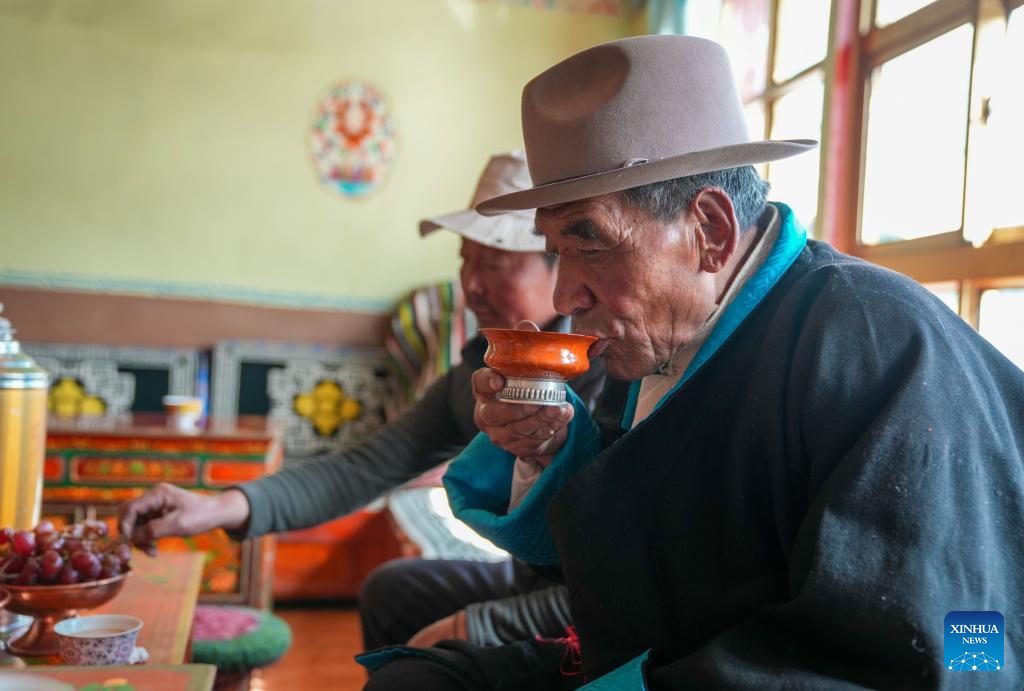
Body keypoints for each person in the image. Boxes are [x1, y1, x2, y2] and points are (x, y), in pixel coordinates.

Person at [361, 36, 1024, 690]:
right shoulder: (671, 342)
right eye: (557, 250)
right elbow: (623, 563)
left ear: (710, 231)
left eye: (590, 244)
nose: (565, 296)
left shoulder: (882, 346)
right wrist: (548, 447)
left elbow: (956, 651)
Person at [117, 152, 613, 651]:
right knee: (391, 592)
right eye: (465, 260)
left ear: (561, 266)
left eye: (494, 263)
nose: (471, 285)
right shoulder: (478, 374)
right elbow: (361, 470)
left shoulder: (610, 377)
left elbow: (626, 582)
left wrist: (473, 627)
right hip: (531, 581)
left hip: (596, 602)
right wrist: (216, 507)